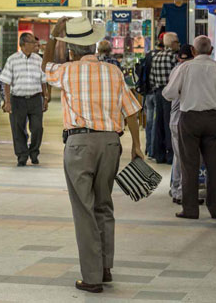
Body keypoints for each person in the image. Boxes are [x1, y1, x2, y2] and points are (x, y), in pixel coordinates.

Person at [42, 17, 142, 294]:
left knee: (84, 209)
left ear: (72, 51)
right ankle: (105, 266)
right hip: (111, 143)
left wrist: (53, 37)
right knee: (104, 205)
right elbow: (132, 110)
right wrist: (136, 145)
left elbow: (44, 66)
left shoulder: (67, 71)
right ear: (95, 46)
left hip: (79, 144)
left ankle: (92, 276)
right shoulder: (113, 72)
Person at [163, 36, 216, 220]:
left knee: (189, 165)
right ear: (211, 51)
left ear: (193, 52)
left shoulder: (185, 68)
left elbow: (169, 93)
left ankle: (190, 209)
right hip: (213, 118)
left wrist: (183, 91)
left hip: (190, 119)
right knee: (214, 166)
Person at [0, 33, 48, 166]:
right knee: (18, 128)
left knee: (37, 128)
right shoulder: (12, 60)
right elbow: (6, 82)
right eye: (32, 42)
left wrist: (45, 97)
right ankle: (22, 155)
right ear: (23, 44)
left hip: (35, 99)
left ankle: (34, 152)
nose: (35, 45)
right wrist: (7, 101)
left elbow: (43, 80)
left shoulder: (38, 60)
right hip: (17, 100)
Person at [169, 44, 194, 205]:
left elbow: (168, 94)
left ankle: (175, 187)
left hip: (176, 118)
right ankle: (179, 190)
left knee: (178, 156)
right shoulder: (189, 70)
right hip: (183, 118)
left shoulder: (176, 70)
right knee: (182, 157)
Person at [151, 32, 179, 164]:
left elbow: (152, 78)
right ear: (173, 43)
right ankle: (170, 155)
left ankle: (158, 154)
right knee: (170, 123)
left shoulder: (156, 57)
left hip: (158, 92)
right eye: (177, 42)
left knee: (159, 123)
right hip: (170, 92)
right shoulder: (174, 57)